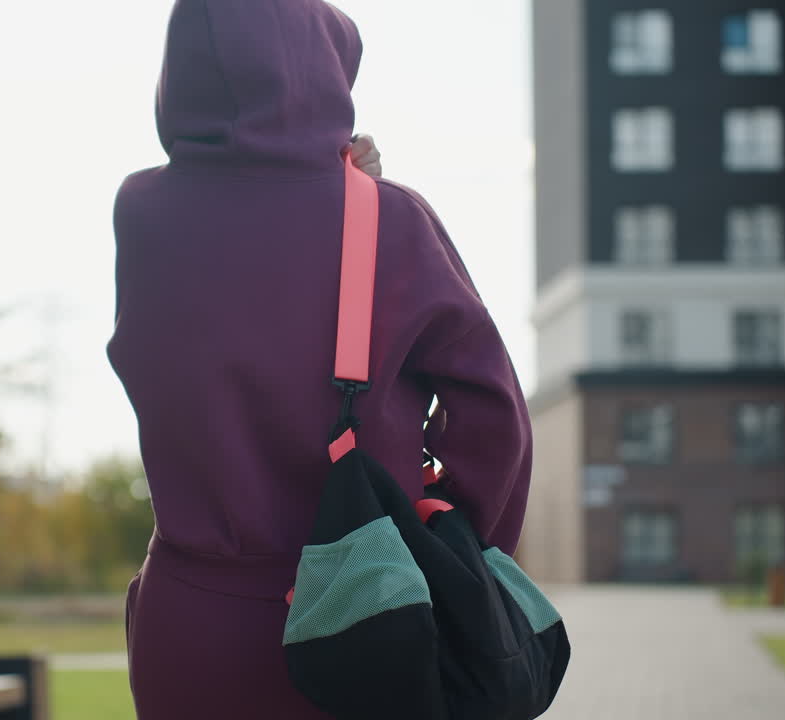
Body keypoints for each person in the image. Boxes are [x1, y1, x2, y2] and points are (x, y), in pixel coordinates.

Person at [107, 1, 531, 718]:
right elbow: (496, 417)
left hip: (189, 625)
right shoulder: (392, 219)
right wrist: (452, 542)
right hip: (372, 623)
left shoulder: (142, 212)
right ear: (325, 63)